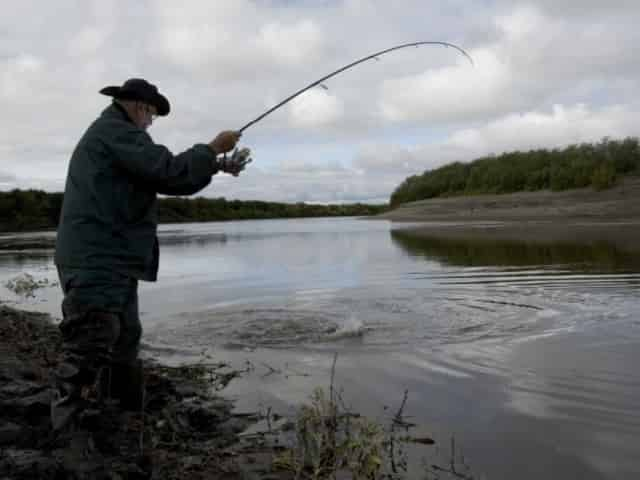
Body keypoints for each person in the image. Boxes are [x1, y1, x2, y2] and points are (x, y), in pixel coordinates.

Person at [51, 78, 252, 430]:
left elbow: (170, 178)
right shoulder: (115, 132)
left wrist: (216, 165)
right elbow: (169, 172)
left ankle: (123, 418)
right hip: (97, 259)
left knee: (125, 340)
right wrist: (212, 148)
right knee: (90, 343)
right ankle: (65, 434)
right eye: (153, 115)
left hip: (113, 260)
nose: (151, 122)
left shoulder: (116, 135)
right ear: (141, 107)